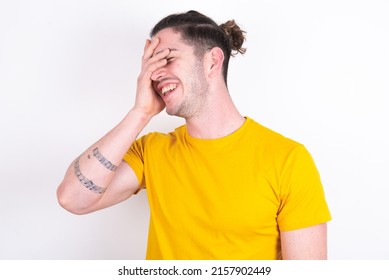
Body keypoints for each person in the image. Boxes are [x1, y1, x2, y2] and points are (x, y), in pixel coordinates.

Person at [57, 10, 331, 260]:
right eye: (149, 65)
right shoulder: (151, 151)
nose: (154, 74)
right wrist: (140, 112)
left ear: (212, 61)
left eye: (167, 58)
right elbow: (72, 198)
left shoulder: (288, 159)